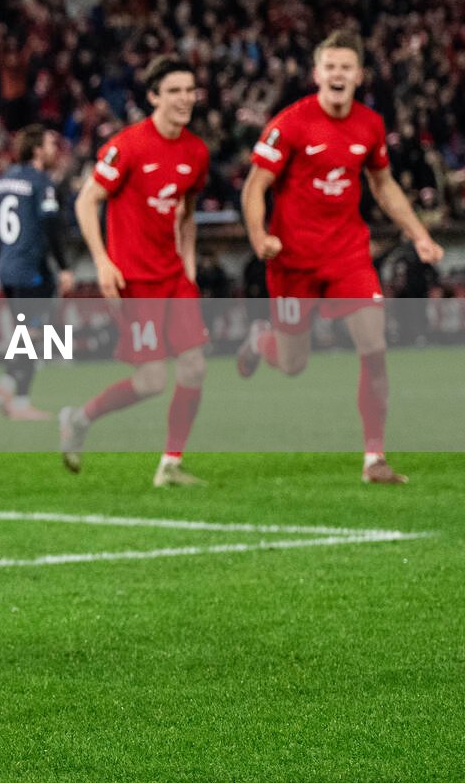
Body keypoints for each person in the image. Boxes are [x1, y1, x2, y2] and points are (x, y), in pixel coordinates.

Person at [237, 29, 445, 484]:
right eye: (330, 67)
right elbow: (256, 185)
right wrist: (258, 236)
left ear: (359, 75)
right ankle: (260, 341)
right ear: (316, 74)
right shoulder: (290, 124)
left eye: (345, 67)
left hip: (348, 255)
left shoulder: (369, 125)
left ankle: (374, 458)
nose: (337, 74)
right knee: (293, 364)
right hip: (292, 260)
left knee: (374, 346)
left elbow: (383, 184)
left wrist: (419, 234)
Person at [57, 57, 210, 487]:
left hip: (175, 277)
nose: (185, 99)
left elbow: (187, 213)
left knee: (195, 367)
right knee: (151, 381)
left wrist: (190, 267)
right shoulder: (128, 146)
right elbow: (86, 201)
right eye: (175, 91)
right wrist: (103, 262)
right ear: (154, 96)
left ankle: (171, 465)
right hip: (135, 280)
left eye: (190, 90)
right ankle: (79, 418)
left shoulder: (196, 151)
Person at [0, 124, 76, 420]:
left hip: (8, 268)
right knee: (33, 335)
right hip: (32, 270)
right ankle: (9, 386)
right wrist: (64, 267)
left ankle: (19, 401)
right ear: (37, 150)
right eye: (51, 144)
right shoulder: (41, 182)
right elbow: (51, 225)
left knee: (25, 334)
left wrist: (3, 256)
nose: (55, 150)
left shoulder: (4, 180)